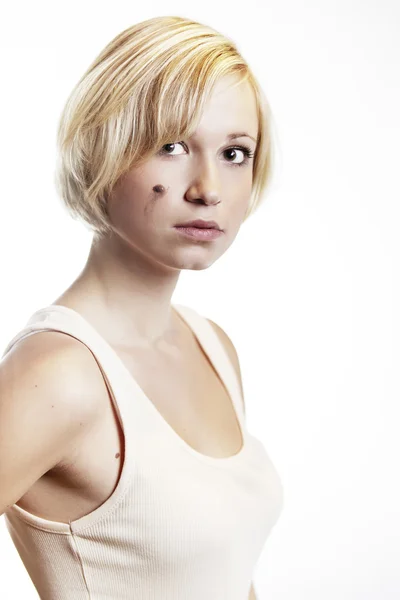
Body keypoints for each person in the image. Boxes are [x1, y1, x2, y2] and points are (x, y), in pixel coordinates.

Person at [0, 15, 284, 600]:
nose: (208, 187)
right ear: (101, 148)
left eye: (235, 152)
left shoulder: (212, 345)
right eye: (171, 146)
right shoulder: (58, 374)